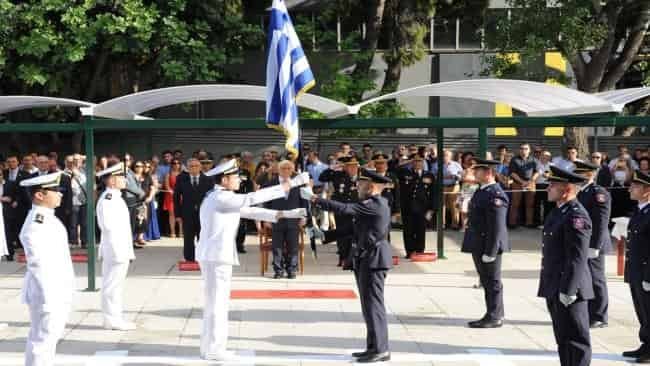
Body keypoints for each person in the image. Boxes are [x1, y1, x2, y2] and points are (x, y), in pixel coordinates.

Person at [196, 159, 308, 361]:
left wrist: (287, 213)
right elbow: (253, 199)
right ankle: (214, 349)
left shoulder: (221, 197)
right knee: (218, 305)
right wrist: (293, 182)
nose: (239, 180)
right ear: (224, 179)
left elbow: (252, 211)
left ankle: (209, 347)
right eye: (236, 177)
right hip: (216, 257)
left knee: (216, 303)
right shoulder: (221, 197)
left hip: (215, 256)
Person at [302, 169, 393, 363]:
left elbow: (344, 209)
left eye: (361, 184)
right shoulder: (368, 206)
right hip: (364, 258)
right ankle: (373, 346)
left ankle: (381, 349)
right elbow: (351, 228)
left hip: (374, 259)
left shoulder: (376, 204)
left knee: (374, 306)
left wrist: (315, 199)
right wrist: (325, 236)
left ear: (372, 186)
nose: (357, 187)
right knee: (367, 306)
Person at [538, 165, 594, 366]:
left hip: (571, 288)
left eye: (553, 185)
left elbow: (577, 257)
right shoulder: (558, 212)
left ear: (567, 189)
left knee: (576, 339)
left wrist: (569, 289)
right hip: (555, 284)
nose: (548, 188)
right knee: (563, 338)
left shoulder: (576, 216)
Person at [19, 172, 76, 366]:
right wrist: (49, 298)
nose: (61, 194)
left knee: (48, 340)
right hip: (47, 292)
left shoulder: (48, 218)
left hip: (56, 289)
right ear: (39, 195)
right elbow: (39, 265)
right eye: (56, 190)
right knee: (42, 341)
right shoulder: (36, 223)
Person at [461, 158, 509, 328]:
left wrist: (491, 251)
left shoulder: (495, 194)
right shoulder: (482, 190)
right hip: (479, 243)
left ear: (488, 173)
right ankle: (493, 313)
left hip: (488, 245)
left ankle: (494, 315)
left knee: (492, 281)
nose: (474, 173)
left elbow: (496, 227)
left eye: (478, 170)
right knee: (486, 280)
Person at [96, 162, 137, 331]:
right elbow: (109, 228)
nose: (125, 180)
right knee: (112, 285)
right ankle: (112, 319)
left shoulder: (116, 197)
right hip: (115, 250)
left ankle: (114, 317)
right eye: (122, 177)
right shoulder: (109, 199)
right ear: (112, 180)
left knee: (115, 285)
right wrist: (119, 252)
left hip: (119, 249)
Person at [574, 160, 612, 329]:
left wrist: (595, 246)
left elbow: (601, 221)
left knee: (596, 279)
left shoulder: (598, 193)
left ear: (589, 175)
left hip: (594, 244)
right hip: (584, 242)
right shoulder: (581, 192)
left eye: (580, 173)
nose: (576, 176)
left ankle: (599, 315)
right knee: (587, 277)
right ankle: (590, 311)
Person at [263, 160, 309, 279]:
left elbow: (304, 202)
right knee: (277, 246)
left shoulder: (298, 184)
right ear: (278, 170)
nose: (286, 171)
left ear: (292, 170)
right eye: (283, 168)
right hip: (276, 219)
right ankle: (278, 270)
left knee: (293, 246)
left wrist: (304, 217)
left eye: (289, 168)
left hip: (293, 220)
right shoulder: (271, 183)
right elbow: (266, 203)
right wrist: (266, 218)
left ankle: (292, 270)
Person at [622, 170, 650, 363]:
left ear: (647, 190)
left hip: (646, 272)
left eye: (636, 185)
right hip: (636, 271)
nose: (630, 188)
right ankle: (646, 343)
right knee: (642, 311)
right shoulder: (640, 210)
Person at [319, 156, 360, 268]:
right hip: (341, 209)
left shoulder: (363, 176)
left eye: (355, 166)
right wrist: (333, 167)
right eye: (350, 166)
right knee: (342, 234)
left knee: (356, 234)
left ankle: (354, 258)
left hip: (358, 209)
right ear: (345, 167)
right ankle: (343, 257)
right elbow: (322, 177)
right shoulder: (338, 175)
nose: (353, 168)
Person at [174, 158, 212, 262]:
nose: (194, 168)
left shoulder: (208, 180)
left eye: (196, 166)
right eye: (191, 166)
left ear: (200, 167)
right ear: (187, 168)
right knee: (188, 237)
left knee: (203, 236)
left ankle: (202, 256)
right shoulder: (181, 179)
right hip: (187, 213)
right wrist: (177, 214)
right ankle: (189, 258)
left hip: (203, 214)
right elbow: (176, 197)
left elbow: (212, 198)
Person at [509, 143, 539, 228]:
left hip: (530, 184)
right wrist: (522, 182)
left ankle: (529, 223)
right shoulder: (514, 159)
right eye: (522, 148)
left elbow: (537, 172)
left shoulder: (533, 160)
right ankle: (512, 223)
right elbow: (512, 173)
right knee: (515, 204)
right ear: (519, 150)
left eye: (526, 149)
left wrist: (531, 181)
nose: (523, 150)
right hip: (517, 184)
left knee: (530, 204)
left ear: (529, 150)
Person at [163, 159, 183, 238]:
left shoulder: (184, 174)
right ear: (171, 165)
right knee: (172, 215)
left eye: (178, 163)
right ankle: (173, 232)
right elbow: (167, 186)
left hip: (181, 196)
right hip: (171, 196)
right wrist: (170, 191)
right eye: (174, 163)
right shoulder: (168, 174)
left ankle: (181, 232)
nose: (176, 164)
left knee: (181, 215)